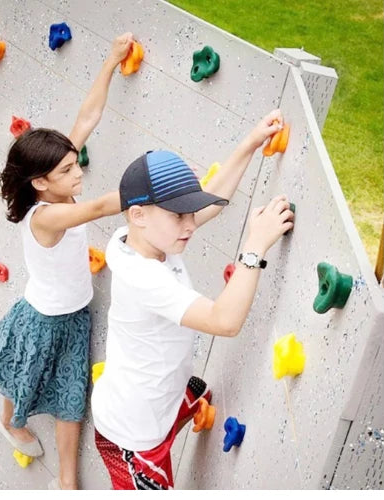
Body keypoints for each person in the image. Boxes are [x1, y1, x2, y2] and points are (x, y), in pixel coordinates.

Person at [91, 109, 295, 489]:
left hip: (143, 401)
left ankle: (182, 408)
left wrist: (250, 144)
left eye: (190, 211)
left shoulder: (142, 237)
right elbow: (224, 321)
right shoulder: (145, 276)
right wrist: (255, 245)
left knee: (196, 388)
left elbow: (209, 204)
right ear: (138, 214)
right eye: (179, 215)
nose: (191, 223)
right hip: (133, 442)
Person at [0, 32, 135, 490]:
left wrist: (111, 60)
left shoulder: (57, 183)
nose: (78, 170)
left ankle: (67, 481)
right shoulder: (49, 215)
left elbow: (87, 116)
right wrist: (154, 187)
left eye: (75, 162)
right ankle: (10, 421)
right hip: (42, 319)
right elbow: (100, 207)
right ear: (41, 184)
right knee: (20, 379)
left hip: (73, 315)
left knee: (70, 396)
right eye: (67, 169)